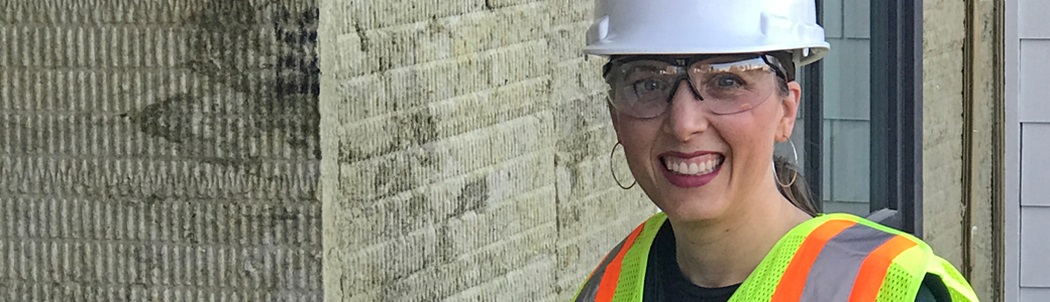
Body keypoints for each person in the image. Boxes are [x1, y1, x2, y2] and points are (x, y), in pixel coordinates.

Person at [572, 1, 979, 301]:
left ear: (787, 110)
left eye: (727, 81)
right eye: (647, 83)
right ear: (614, 116)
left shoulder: (884, 290)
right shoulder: (608, 286)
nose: (683, 123)